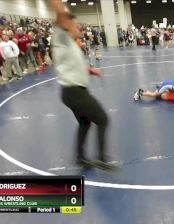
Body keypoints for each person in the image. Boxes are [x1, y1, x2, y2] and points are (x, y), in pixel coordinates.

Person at [48, 0, 114, 170]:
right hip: (75, 93)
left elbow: (73, 65)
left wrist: (91, 71)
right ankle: (101, 159)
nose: (79, 29)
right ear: (67, 26)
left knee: (85, 123)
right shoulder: (61, 38)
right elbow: (61, 15)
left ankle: (80, 158)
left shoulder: (70, 45)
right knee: (103, 119)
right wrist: (58, 5)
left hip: (72, 93)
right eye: (76, 26)